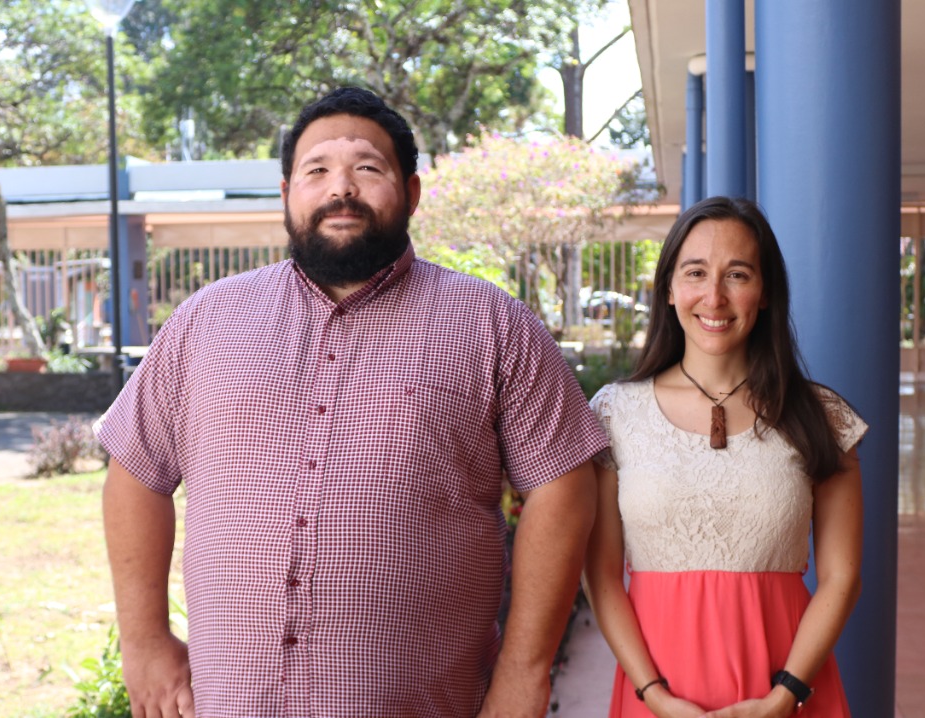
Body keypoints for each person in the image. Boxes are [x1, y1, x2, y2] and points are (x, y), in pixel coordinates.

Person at [97, 86, 609, 718]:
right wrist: (144, 640)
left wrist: (523, 675)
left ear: (412, 194)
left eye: (367, 168)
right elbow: (135, 474)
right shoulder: (206, 322)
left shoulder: (493, 325)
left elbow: (564, 485)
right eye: (317, 170)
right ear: (287, 194)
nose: (341, 188)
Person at [584, 196, 866, 718]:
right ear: (669, 289)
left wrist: (786, 696)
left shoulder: (821, 417)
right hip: (657, 691)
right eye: (695, 272)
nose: (714, 297)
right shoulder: (614, 413)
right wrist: (654, 696)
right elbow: (600, 577)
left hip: (788, 688)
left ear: (764, 294)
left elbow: (842, 577)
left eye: (737, 274)